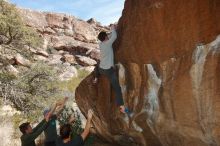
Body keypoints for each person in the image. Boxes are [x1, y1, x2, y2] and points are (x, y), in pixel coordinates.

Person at [93, 24, 130, 115]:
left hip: (101, 69)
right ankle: (121, 107)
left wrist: (109, 33)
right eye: (106, 36)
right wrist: (113, 28)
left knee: (97, 65)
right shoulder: (108, 43)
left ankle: (96, 78)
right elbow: (114, 36)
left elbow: (108, 36)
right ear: (105, 37)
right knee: (117, 88)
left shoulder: (101, 44)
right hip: (109, 71)